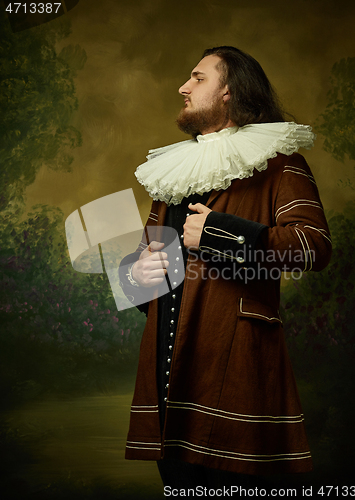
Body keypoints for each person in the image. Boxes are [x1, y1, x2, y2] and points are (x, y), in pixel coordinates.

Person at [119, 46, 332, 490]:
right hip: (168, 371)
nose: (183, 86)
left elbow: (313, 246)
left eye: (197, 78)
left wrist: (216, 231)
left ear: (228, 92)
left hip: (235, 369)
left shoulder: (279, 159)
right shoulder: (173, 171)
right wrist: (135, 276)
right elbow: (147, 261)